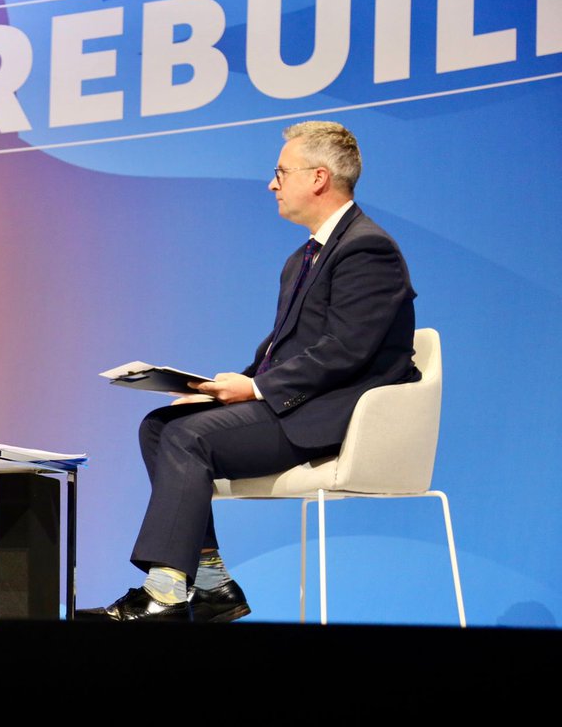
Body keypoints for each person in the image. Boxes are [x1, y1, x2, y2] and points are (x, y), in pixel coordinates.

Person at [80, 121, 419, 622]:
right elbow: (281, 351)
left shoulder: (368, 249)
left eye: (281, 172)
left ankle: (167, 592)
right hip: (296, 404)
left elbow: (346, 350)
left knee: (188, 439)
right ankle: (214, 586)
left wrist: (256, 388)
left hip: (334, 418)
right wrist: (215, 392)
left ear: (320, 178)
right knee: (160, 426)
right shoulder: (302, 258)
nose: (272, 184)